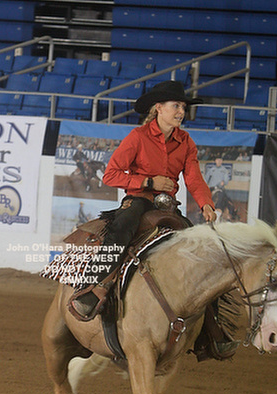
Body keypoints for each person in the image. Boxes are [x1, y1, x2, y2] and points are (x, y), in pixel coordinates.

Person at [69, 79, 217, 320]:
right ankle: (92, 288)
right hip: (139, 200)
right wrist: (149, 182)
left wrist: (206, 204)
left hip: (168, 206)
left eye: (183, 107)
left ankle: (211, 324)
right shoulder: (138, 136)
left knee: (195, 244)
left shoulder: (186, 142)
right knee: (121, 228)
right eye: (176, 106)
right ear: (159, 108)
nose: (181, 112)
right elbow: (110, 175)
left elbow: (194, 178)